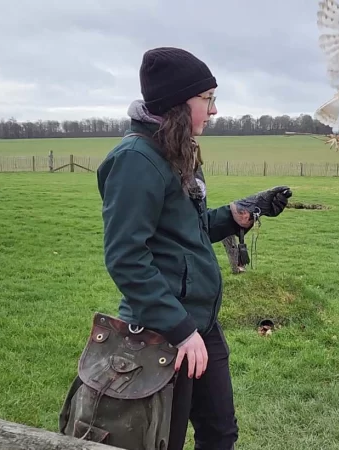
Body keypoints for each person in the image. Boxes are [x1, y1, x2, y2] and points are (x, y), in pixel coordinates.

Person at [96, 46, 292, 450]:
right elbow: (126, 259)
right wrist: (181, 330)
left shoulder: (175, 151)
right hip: (164, 332)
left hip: (201, 324)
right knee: (162, 438)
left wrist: (239, 214)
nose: (215, 111)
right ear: (178, 103)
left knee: (220, 434)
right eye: (207, 99)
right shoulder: (137, 160)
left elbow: (188, 230)